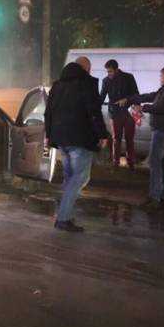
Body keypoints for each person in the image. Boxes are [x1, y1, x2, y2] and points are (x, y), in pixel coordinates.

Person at [44, 57, 109, 232]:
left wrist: (49, 135)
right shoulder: (86, 84)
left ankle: (64, 214)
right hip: (80, 138)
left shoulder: (57, 85)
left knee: (70, 178)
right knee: (80, 178)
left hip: (61, 139)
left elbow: (48, 112)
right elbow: (94, 112)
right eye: (89, 69)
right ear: (86, 69)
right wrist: (102, 134)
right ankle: (63, 218)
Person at [118, 66, 164, 210]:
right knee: (163, 164)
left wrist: (142, 108)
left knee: (154, 163)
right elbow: (150, 96)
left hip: (163, 131)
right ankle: (163, 195)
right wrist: (130, 99)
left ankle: (154, 198)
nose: (160, 78)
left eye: (161, 76)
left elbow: (162, 108)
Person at [100, 59, 139, 170]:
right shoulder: (106, 81)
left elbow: (136, 94)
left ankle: (130, 163)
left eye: (110, 71)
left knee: (129, 139)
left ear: (117, 70)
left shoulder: (128, 77)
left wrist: (129, 101)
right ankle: (115, 163)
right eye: (107, 71)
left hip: (128, 113)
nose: (109, 74)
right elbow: (102, 96)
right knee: (116, 139)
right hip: (115, 113)